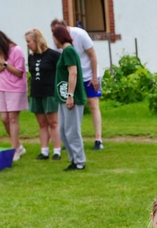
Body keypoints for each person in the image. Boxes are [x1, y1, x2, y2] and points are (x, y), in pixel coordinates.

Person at [50, 19, 102, 150]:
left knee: (93, 103)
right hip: (73, 76)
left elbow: (92, 55)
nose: (53, 35)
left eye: (56, 31)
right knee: (73, 108)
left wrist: (94, 78)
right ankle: (72, 138)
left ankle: (98, 138)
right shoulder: (58, 42)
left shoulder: (80, 34)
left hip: (88, 73)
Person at [0, 29, 27, 162]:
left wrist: (5, 64)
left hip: (15, 88)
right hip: (1, 87)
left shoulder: (16, 50)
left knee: (13, 118)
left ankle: (14, 150)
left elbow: (19, 72)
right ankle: (19, 146)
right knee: (4, 119)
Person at [51, 23, 85, 171]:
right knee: (64, 131)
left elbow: (73, 73)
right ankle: (73, 160)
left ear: (58, 37)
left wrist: (70, 95)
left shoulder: (69, 51)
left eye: (53, 36)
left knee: (72, 131)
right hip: (63, 97)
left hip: (71, 98)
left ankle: (79, 161)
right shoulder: (65, 51)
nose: (53, 40)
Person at [25, 28, 60, 161]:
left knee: (53, 122)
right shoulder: (31, 57)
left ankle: (57, 151)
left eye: (29, 41)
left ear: (37, 40)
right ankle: (44, 151)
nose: (27, 44)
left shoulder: (53, 55)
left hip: (50, 93)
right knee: (42, 123)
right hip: (36, 93)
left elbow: (62, 71)